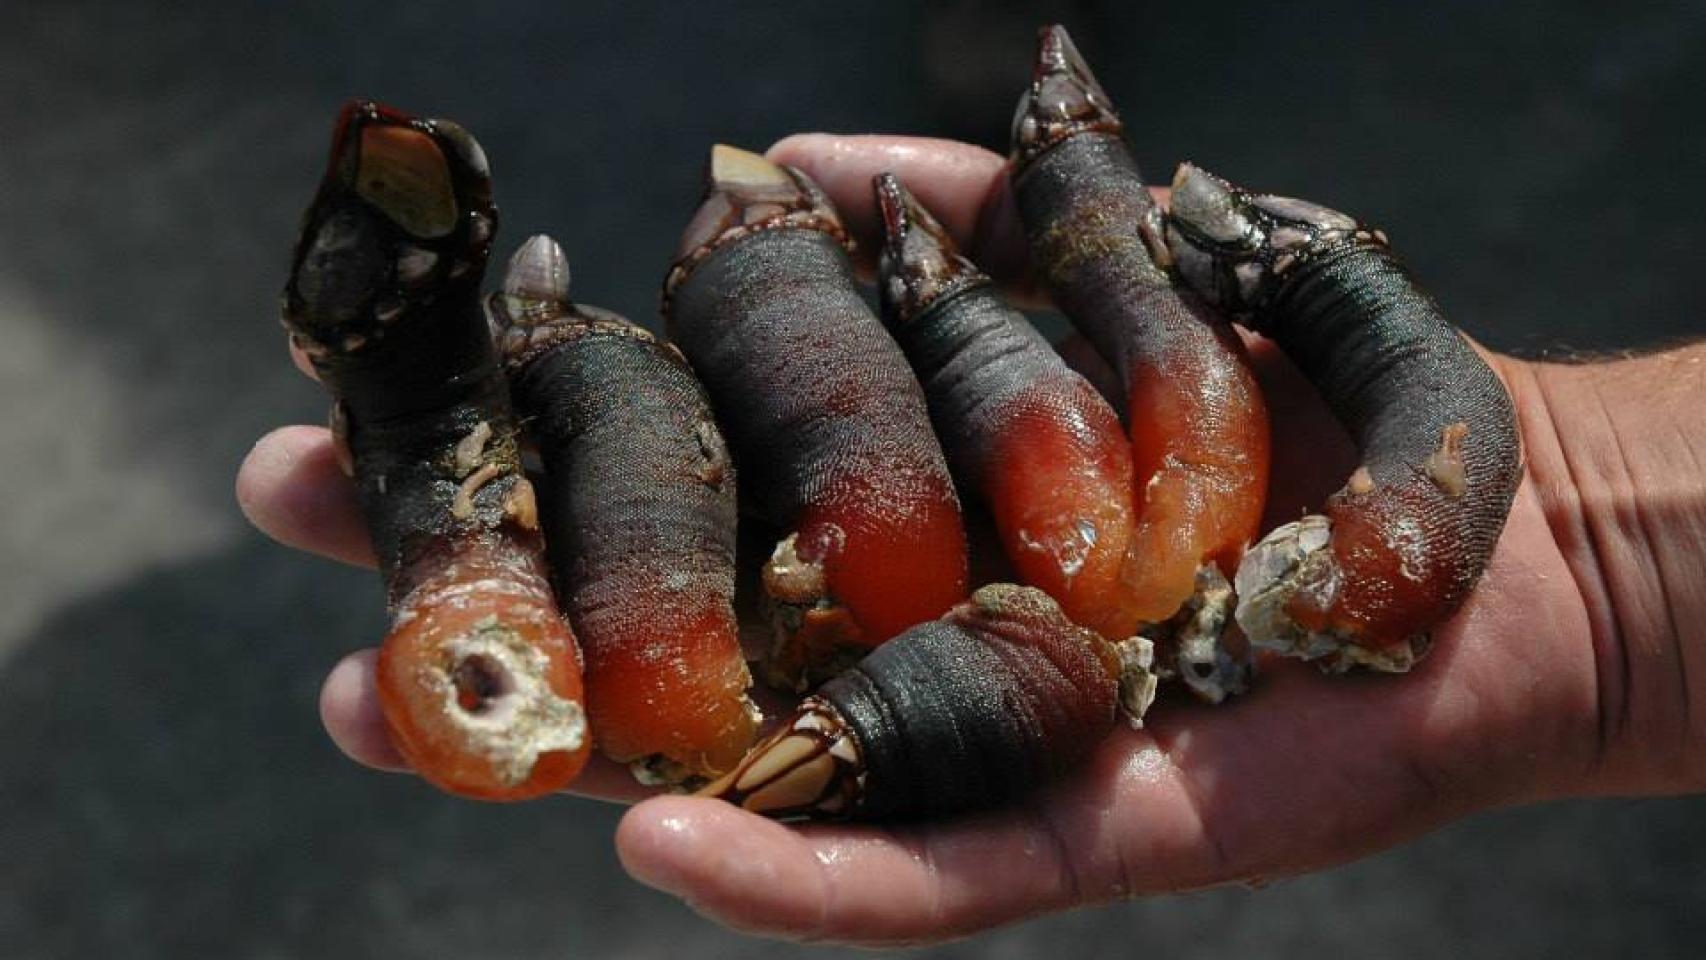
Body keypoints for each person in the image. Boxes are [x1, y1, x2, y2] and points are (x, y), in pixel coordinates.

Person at [236, 134, 1706, 946]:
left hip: (1014, 589)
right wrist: (1614, 602)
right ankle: (476, 384)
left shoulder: (1118, 538)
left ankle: (486, 373)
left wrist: (1615, 595)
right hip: (948, 597)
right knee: (710, 505)